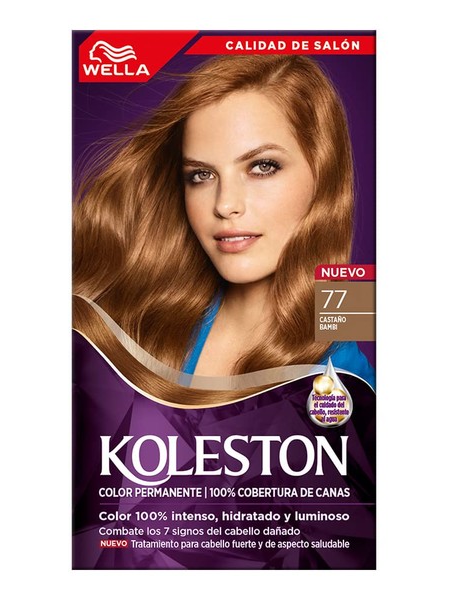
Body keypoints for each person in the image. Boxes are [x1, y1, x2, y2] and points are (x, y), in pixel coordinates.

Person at [73, 54, 374, 406]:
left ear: (324, 174)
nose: (225, 204)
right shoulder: (134, 320)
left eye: (262, 166)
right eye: (201, 175)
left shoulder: (349, 377)